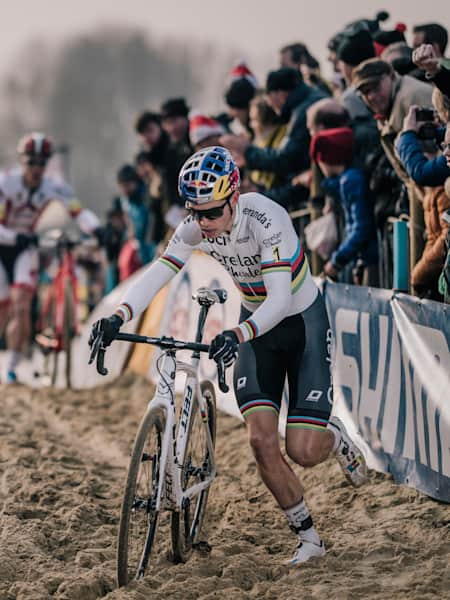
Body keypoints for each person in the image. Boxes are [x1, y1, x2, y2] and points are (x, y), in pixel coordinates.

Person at [90, 146, 368, 565]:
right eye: (195, 213)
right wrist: (119, 316)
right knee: (260, 440)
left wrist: (237, 333)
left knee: (305, 451)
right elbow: (159, 272)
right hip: (255, 326)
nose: (204, 224)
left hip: (299, 324)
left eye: (212, 213)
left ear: (234, 197)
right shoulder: (198, 225)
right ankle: (308, 537)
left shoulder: (267, 219)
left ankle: (336, 436)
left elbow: (278, 299)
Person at [0, 132, 100, 383]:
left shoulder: (53, 187)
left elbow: (78, 212)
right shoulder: (6, 183)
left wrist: (97, 229)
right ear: (22, 162)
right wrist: (14, 237)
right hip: (3, 245)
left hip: (26, 250)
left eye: (42, 163)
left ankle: (11, 368)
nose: (36, 168)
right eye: (31, 162)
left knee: (22, 307)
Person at [310, 127, 379, 286]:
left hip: (367, 257)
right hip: (361, 257)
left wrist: (337, 260)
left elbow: (360, 227)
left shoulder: (350, 182)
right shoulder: (346, 181)